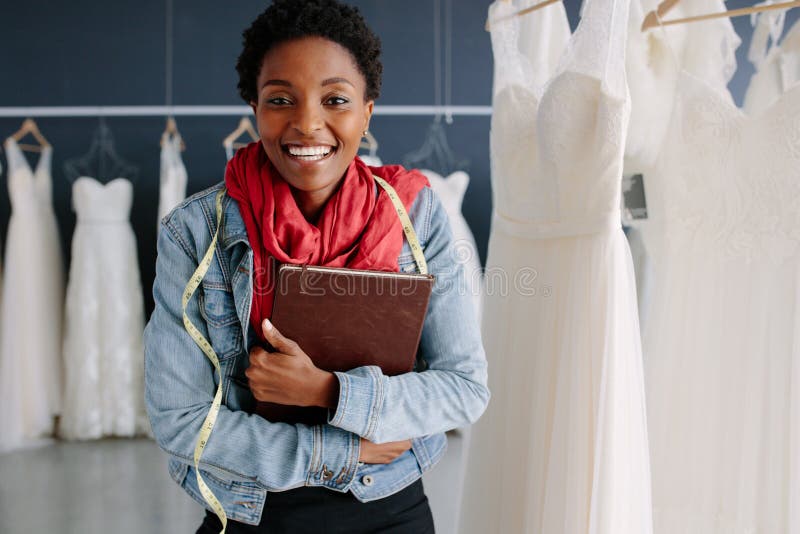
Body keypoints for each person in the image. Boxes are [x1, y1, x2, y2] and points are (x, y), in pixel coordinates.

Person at [143, 1, 489, 532]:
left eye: (336, 99)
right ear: (255, 108)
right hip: (251, 511)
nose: (307, 123)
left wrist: (328, 391)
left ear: (367, 111)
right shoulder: (193, 233)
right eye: (280, 99)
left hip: (391, 509)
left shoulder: (415, 214)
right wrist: (340, 451)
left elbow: (464, 388)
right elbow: (180, 420)